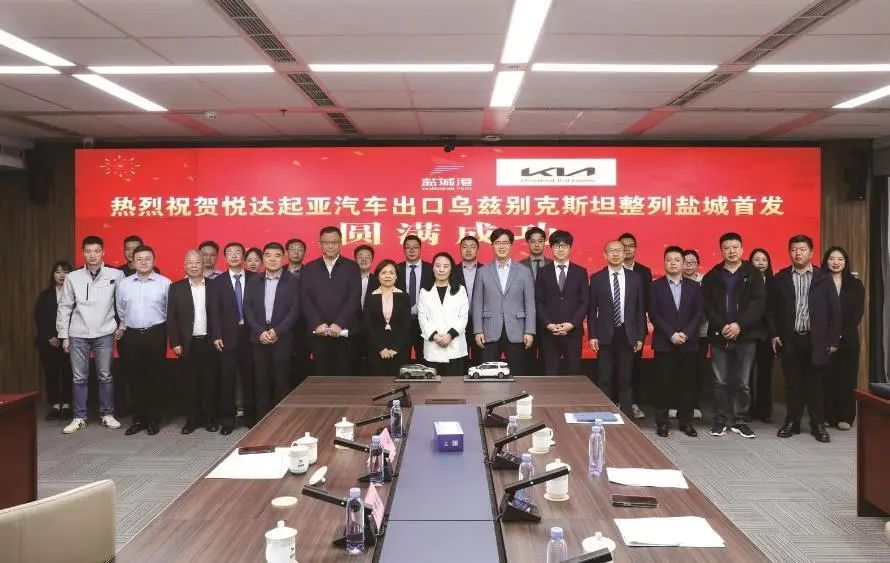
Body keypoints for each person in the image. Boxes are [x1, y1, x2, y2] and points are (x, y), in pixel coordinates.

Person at [768, 235, 840, 443]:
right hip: (790, 338)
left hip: (816, 339)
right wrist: (774, 333)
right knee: (793, 384)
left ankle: (818, 424)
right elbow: (771, 310)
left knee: (815, 384)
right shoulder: (780, 278)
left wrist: (833, 340)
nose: (797, 253)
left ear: (811, 252)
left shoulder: (823, 278)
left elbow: (834, 310)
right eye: (793, 249)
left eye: (802, 249)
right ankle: (793, 422)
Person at [57, 236, 125, 434]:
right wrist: (64, 335)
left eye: (96, 251)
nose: (92, 255)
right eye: (88, 251)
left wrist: (123, 325)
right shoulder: (73, 277)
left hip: (105, 332)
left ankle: (107, 414)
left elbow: (122, 303)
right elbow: (65, 306)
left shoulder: (115, 274)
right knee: (79, 377)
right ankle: (79, 417)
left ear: (103, 252)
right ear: (83, 253)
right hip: (78, 333)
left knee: (105, 375)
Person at [701, 233, 765, 439]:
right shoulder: (712, 276)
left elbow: (758, 304)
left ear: (742, 249)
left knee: (743, 382)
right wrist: (722, 326)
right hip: (719, 336)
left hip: (746, 336)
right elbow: (708, 306)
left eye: (735, 247)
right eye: (727, 248)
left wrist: (739, 325)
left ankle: (740, 420)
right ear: (721, 250)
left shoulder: (753, 274)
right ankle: (720, 420)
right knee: (720, 381)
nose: (731, 251)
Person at [117, 246, 172, 436]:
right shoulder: (124, 284)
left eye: (147, 258)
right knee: (135, 378)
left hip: (155, 333)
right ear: (132, 262)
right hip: (131, 335)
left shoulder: (164, 283)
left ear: (154, 261)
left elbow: (169, 310)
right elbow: (121, 308)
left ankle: (154, 419)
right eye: (139, 259)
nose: (143, 262)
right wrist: (124, 326)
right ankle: (139, 419)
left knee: (155, 378)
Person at [649, 246, 704, 437]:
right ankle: (662, 422)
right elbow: (654, 314)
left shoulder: (694, 287)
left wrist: (686, 334)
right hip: (664, 343)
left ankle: (686, 422)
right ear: (664, 263)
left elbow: (698, 313)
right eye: (669, 260)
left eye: (677, 260)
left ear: (683, 263)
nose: (673, 263)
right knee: (663, 384)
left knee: (687, 384)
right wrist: (671, 334)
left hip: (688, 343)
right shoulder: (655, 286)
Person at [588, 240, 646, 416]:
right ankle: (604, 415)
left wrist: (640, 336)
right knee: (604, 379)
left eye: (619, 250)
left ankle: (627, 417)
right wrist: (592, 335)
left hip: (627, 334)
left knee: (625, 380)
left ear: (624, 253)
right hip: (605, 335)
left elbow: (640, 309)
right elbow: (592, 310)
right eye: (611, 251)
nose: (615, 254)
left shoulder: (635, 278)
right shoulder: (597, 278)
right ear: (605, 254)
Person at [243, 242, 301, 420]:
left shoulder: (293, 281)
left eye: (277, 255)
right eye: (268, 255)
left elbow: (295, 310)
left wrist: (277, 331)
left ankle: (282, 421)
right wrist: (260, 331)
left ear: (283, 257)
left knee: (281, 380)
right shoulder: (254, 280)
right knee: (261, 381)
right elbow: (248, 308)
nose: (272, 259)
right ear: (263, 259)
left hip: (282, 337)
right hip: (258, 337)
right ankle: (262, 420)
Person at [208, 242, 256, 434]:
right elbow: (214, 311)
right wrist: (216, 335)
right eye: (230, 253)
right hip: (226, 337)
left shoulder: (255, 278)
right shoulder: (217, 282)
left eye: (238, 252)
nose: (234, 256)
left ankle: (251, 417)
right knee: (227, 380)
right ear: (225, 258)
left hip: (251, 335)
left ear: (243, 257)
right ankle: (228, 420)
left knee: (250, 377)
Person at [473, 228, 536, 376]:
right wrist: (478, 330)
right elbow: (477, 303)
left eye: (505, 243)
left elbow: (529, 303)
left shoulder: (524, 271)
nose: (501, 246)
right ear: (492, 246)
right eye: (497, 243)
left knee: (517, 373)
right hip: (489, 330)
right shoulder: (482, 272)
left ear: (511, 245)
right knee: (488, 374)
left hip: (517, 330)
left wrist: (529, 331)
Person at [167, 250, 218, 434]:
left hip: (209, 341)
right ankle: (192, 420)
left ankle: (209, 419)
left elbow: (220, 314)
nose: (194, 266)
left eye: (197, 262)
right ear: (184, 266)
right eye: (190, 262)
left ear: (204, 265)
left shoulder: (215, 286)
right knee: (189, 384)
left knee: (210, 383)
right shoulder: (176, 287)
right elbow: (171, 318)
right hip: (187, 343)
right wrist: (175, 342)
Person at [301, 226, 362, 377]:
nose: (330, 246)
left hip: (345, 332)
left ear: (340, 243)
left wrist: (339, 323)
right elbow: (305, 298)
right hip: (318, 333)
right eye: (326, 242)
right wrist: (317, 323)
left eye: (334, 242)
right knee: (321, 375)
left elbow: (354, 297)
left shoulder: (352, 267)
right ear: (320, 244)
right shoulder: (309, 268)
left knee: (344, 375)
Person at [534, 230, 588, 375]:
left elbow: (584, 302)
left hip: (573, 332)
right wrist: (548, 324)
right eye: (557, 245)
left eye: (564, 245)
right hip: (549, 333)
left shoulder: (580, 272)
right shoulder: (543, 272)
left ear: (570, 248)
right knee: (550, 373)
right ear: (551, 248)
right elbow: (538, 301)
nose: (560, 249)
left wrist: (572, 324)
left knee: (574, 373)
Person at [822, 246, 864, 430]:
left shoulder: (855, 284)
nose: (836, 262)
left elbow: (857, 313)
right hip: (824, 337)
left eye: (840, 259)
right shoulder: (819, 282)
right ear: (826, 261)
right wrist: (829, 334)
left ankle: (845, 417)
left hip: (848, 337)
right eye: (832, 258)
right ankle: (828, 415)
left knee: (847, 377)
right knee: (827, 377)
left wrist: (839, 333)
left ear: (846, 262)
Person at [418, 252, 470, 376]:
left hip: (455, 346)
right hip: (433, 346)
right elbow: (422, 317)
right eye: (438, 266)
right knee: (432, 385)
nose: (441, 269)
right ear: (433, 268)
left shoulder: (460, 290)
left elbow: (463, 317)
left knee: (454, 385)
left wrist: (450, 335)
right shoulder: (425, 291)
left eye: (445, 266)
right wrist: (435, 336)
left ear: (451, 269)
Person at [34, 260, 73, 421]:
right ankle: (55, 405)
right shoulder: (44, 295)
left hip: (69, 341)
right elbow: (39, 318)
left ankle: (67, 405)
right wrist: (49, 337)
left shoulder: (75, 294)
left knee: (68, 373)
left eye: (65, 272)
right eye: (58, 272)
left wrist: (64, 336)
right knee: (51, 374)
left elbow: (77, 318)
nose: (62, 275)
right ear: (53, 275)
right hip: (48, 341)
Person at [619, 232, 652, 420]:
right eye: (623, 246)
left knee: (635, 368)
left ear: (636, 249)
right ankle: (616, 402)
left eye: (630, 245)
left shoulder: (644, 272)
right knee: (616, 368)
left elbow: (645, 301)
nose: (627, 249)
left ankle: (633, 404)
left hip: (636, 327)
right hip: (615, 327)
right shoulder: (610, 269)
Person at [362, 260, 411, 377]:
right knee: (377, 383)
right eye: (384, 272)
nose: (388, 276)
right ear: (378, 276)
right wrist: (381, 348)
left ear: (396, 276)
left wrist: (396, 348)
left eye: (391, 273)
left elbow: (406, 325)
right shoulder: (370, 297)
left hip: (399, 348)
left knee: (398, 382)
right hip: (376, 348)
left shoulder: (404, 296)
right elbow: (368, 325)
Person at [749, 248, 775, 423]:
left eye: (764, 260)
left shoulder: (774, 282)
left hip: (767, 335)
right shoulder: (745, 281)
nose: (760, 263)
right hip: (748, 333)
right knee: (746, 375)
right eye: (757, 259)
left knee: (765, 374)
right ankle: (747, 409)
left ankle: (764, 410)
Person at [520, 226, 551, 376]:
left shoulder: (553, 265)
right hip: (525, 321)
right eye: (533, 241)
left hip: (548, 321)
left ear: (545, 242)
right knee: (527, 362)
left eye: (540, 241)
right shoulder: (518, 267)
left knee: (549, 361)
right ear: (528, 243)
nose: (537, 244)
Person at [396, 235, 433, 362]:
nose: (411, 250)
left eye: (415, 247)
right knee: (402, 357)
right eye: (408, 248)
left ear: (420, 249)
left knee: (424, 358)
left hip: (425, 321)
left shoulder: (431, 269)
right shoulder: (396, 269)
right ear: (404, 250)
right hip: (402, 321)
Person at [683, 249, 707, 420]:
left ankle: (695, 404)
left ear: (698, 264)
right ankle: (676, 404)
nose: (689, 266)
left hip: (701, 333)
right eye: (686, 262)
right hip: (680, 334)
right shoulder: (676, 280)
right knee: (680, 370)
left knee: (697, 370)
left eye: (692, 262)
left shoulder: (705, 282)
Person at [456, 235, 481, 364]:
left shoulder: (486, 270)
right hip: (458, 322)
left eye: (472, 247)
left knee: (479, 362)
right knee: (460, 361)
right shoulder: (452, 271)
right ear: (460, 249)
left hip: (481, 324)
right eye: (465, 247)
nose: (468, 250)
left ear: (477, 250)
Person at [353, 244, 377, 375]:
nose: (364, 259)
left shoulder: (378, 281)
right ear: (355, 259)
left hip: (372, 327)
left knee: (371, 363)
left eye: (367, 257)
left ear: (372, 260)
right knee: (352, 362)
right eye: (360, 257)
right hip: (352, 328)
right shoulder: (347, 279)